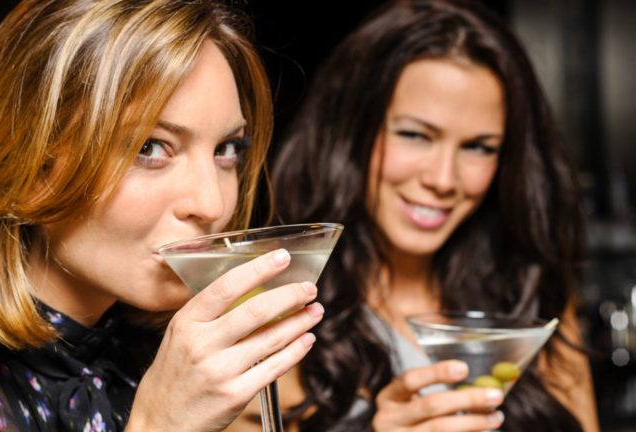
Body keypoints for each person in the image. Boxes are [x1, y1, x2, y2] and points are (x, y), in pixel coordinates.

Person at [0, 1, 325, 431]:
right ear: (29, 166)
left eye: (227, 150)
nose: (213, 205)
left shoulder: (180, 362)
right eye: (150, 147)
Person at [228, 0, 599, 431]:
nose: (443, 179)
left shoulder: (530, 296)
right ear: (351, 133)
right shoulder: (276, 308)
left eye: (478, 147)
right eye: (415, 135)